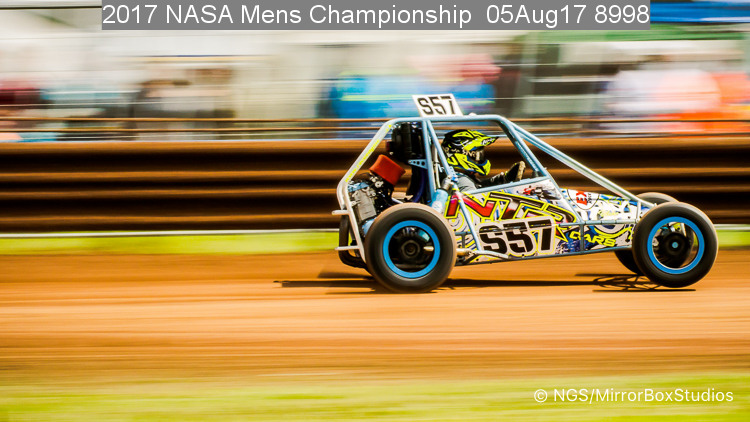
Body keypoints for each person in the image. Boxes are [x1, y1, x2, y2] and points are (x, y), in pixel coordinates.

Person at [442, 129, 525, 191]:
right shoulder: (461, 181)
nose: (480, 158)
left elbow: (480, 186)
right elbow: (478, 203)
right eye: (478, 154)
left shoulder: (457, 176)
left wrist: (504, 179)